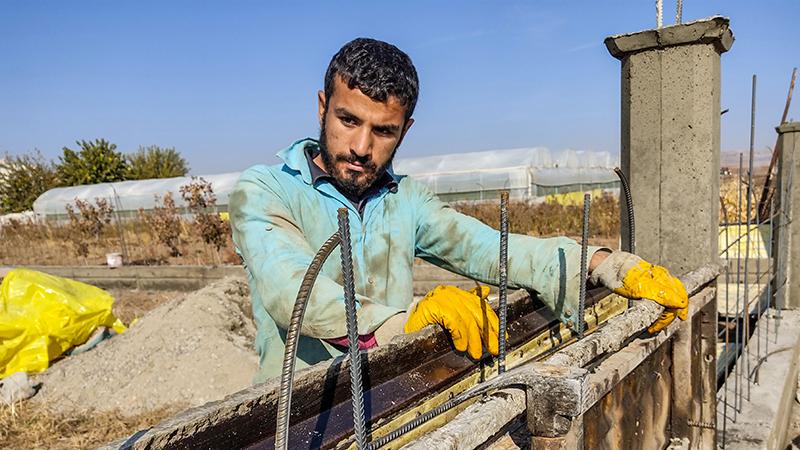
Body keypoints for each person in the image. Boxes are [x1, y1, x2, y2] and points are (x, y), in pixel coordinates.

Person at [229, 38, 688, 384]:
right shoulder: (265, 190)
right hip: (301, 413)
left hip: (390, 397)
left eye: (383, 131)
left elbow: (487, 246)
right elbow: (293, 292)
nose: (362, 147)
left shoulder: (404, 198)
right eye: (348, 121)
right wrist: (404, 323)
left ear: (406, 130)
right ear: (322, 107)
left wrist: (600, 262)